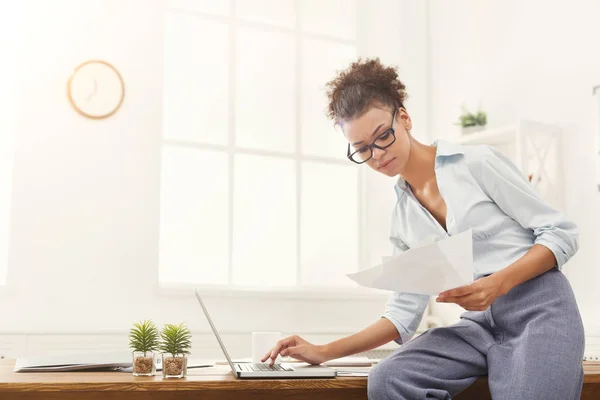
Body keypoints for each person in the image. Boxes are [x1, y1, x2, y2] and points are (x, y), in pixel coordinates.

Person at [262, 58, 584, 400]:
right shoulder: (403, 221)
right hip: (479, 328)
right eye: (362, 149)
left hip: (539, 310)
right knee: (388, 379)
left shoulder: (476, 163)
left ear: (404, 118)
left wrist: (497, 283)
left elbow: (561, 232)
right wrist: (324, 351)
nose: (377, 155)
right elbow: (403, 313)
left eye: (382, 136)